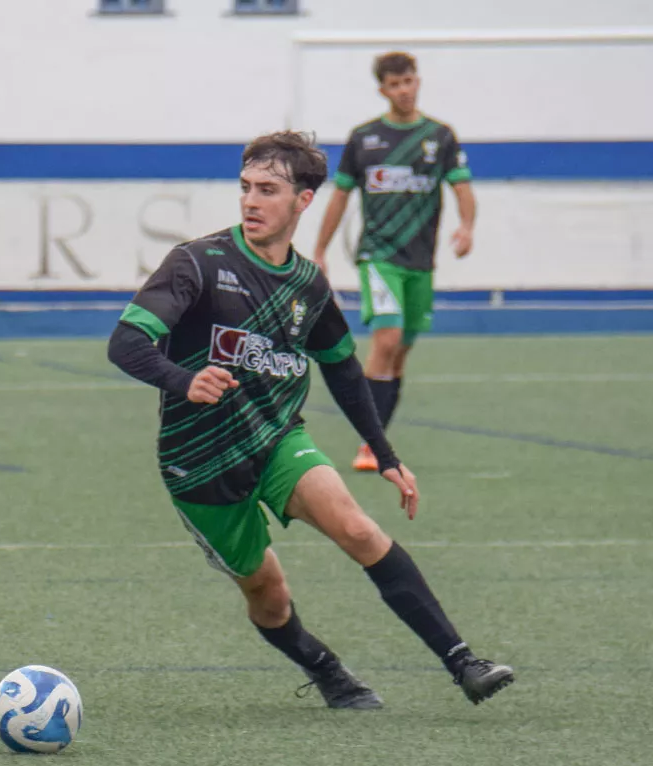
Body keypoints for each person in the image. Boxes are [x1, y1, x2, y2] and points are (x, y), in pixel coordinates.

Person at [107, 130, 512, 708]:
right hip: (199, 466)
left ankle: (464, 663)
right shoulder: (198, 263)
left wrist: (385, 453)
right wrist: (182, 379)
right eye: (246, 187)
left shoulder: (308, 285)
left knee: (357, 528)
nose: (251, 201)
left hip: (277, 441)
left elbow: (345, 372)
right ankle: (326, 670)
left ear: (303, 201)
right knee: (268, 593)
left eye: (268, 190)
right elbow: (125, 343)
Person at [312, 51, 475, 472]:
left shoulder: (440, 137)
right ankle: (371, 444)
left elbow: (461, 188)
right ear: (382, 89)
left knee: (400, 350)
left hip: (420, 262)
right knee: (386, 339)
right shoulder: (364, 138)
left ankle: (377, 436)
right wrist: (319, 250)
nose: (404, 90)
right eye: (395, 84)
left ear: (417, 82)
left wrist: (467, 226)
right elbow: (340, 197)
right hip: (377, 256)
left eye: (409, 81)